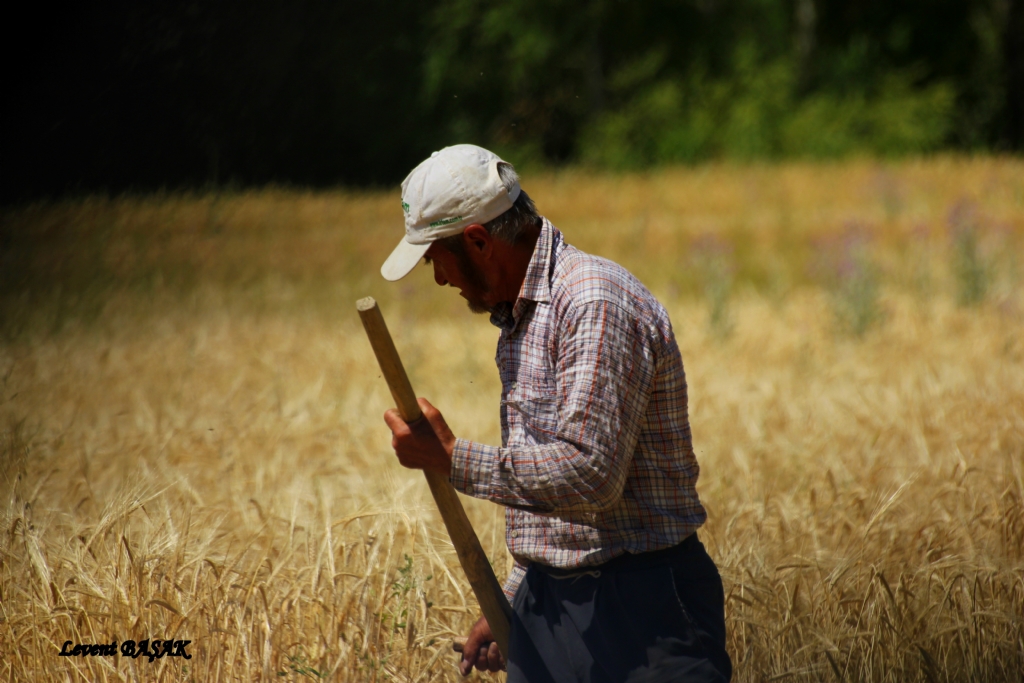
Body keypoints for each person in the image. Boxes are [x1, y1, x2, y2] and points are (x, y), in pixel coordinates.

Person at [381, 144, 731, 683]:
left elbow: (592, 474)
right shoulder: (519, 317)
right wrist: (516, 598)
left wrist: (452, 458)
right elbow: (549, 493)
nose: (440, 279)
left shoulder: (593, 301)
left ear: (478, 242)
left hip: (644, 608)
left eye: (435, 259)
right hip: (551, 602)